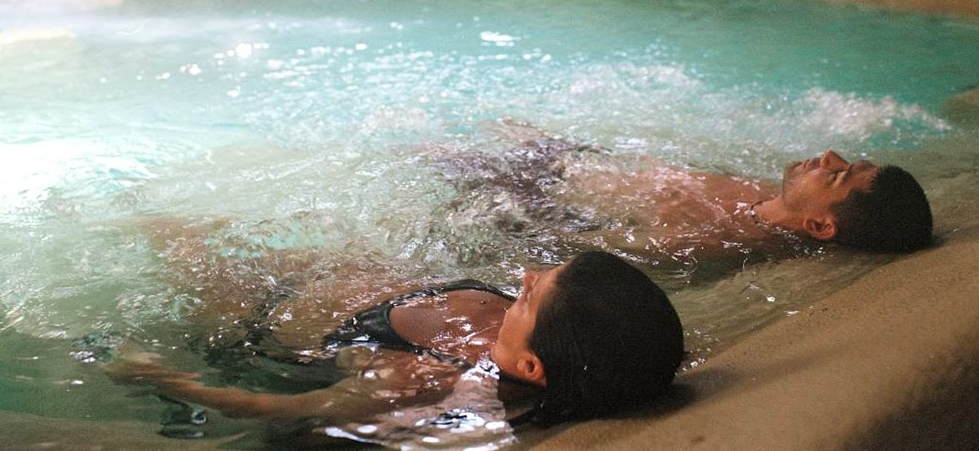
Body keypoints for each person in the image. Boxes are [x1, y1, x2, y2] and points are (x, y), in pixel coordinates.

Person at [105, 249, 684, 445]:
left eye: (531, 294)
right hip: (319, 268)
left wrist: (158, 378)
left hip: (252, 305)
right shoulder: (578, 332)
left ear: (530, 365)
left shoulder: (426, 381)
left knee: (159, 233)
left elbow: (277, 410)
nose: (526, 276)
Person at [428, 127, 933, 257]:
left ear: (820, 225)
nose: (828, 156)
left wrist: (518, 217)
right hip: (582, 162)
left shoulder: (713, 237)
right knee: (503, 123)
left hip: (538, 190)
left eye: (836, 176)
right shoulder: (772, 195)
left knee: (424, 149)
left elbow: (587, 242)